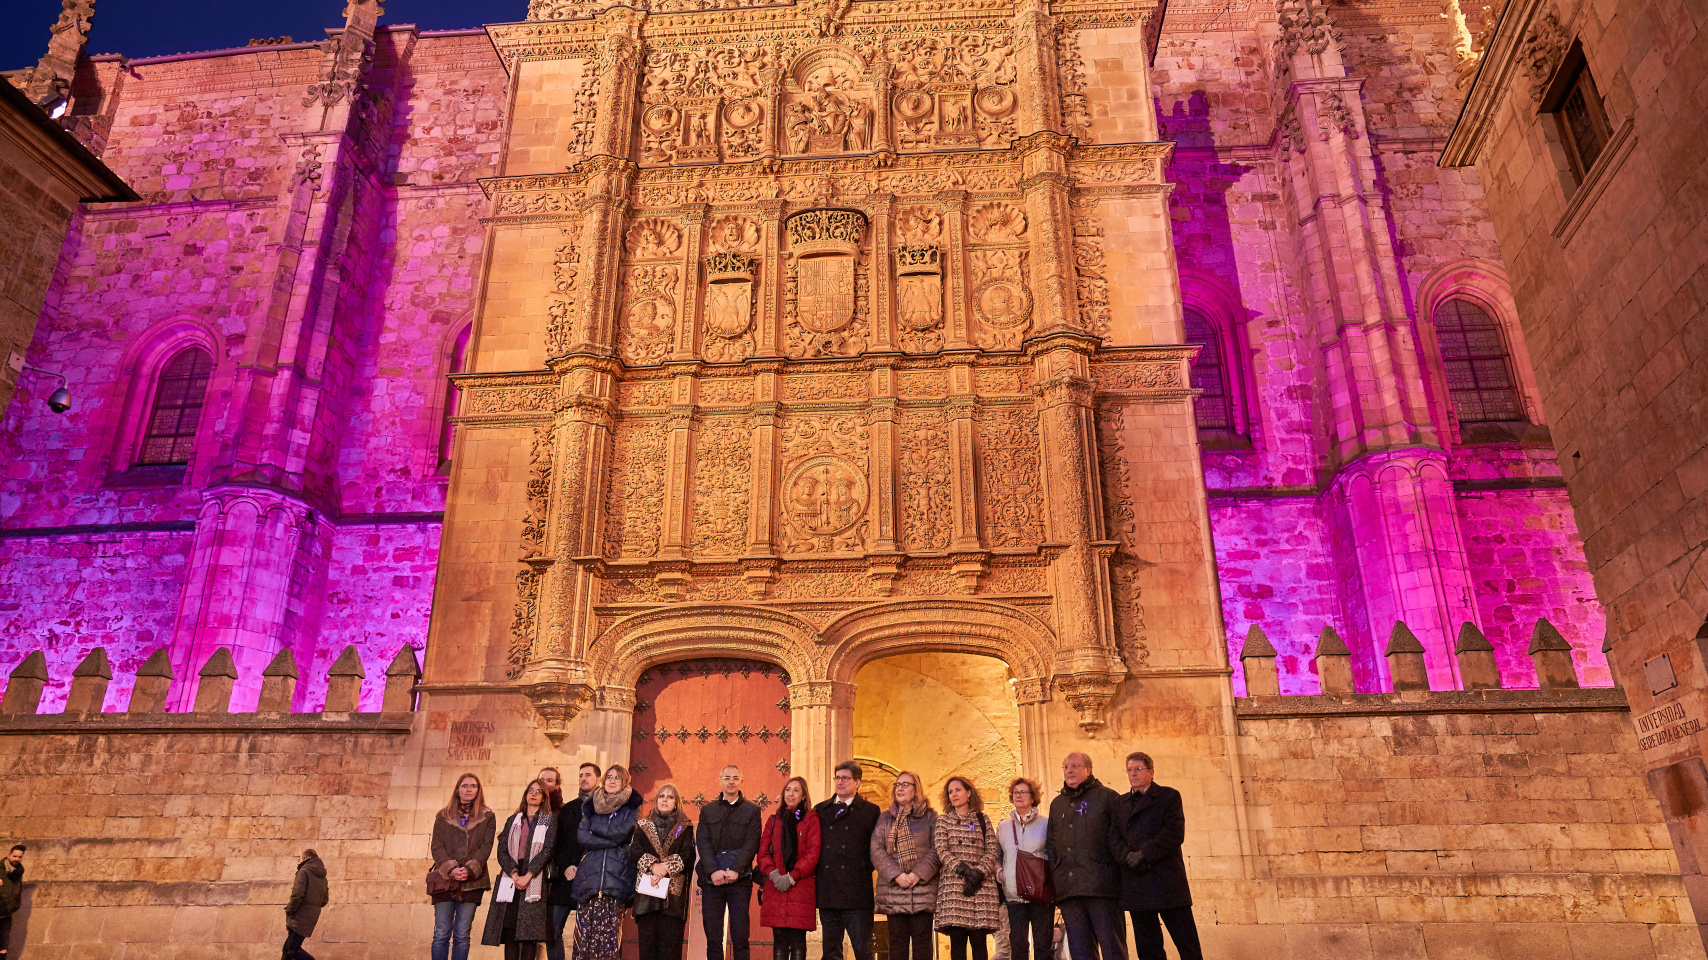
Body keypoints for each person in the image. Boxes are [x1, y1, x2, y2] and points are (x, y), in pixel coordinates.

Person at [1112, 753, 1202, 960]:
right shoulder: (1120, 803)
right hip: (1137, 883)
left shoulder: (1168, 797)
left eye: (1138, 769)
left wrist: (1144, 855)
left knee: (1187, 944)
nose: (1133, 773)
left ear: (1151, 772)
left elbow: (1173, 833)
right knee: (1148, 948)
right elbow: (1112, 837)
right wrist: (1126, 857)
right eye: (1129, 769)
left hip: (1167, 881)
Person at [1045, 754, 1123, 960]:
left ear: (1088, 769)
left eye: (1075, 766)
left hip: (1102, 888)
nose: (1069, 770)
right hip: (1070, 891)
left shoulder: (1108, 797)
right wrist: (1058, 876)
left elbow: (1120, 840)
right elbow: (1051, 846)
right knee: (1081, 952)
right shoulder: (1057, 804)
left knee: (1112, 948)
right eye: (1065, 767)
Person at [483, 779, 560, 959]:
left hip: (535, 879)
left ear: (543, 798)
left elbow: (547, 849)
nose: (533, 794)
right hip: (511, 879)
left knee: (529, 936)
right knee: (510, 934)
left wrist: (529, 875)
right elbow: (502, 850)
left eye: (538, 791)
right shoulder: (513, 819)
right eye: (530, 790)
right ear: (525, 794)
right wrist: (514, 873)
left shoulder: (549, 820)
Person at [573, 766, 644, 960]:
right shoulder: (590, 807)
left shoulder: (631, 807)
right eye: (609, 777)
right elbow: (582, 836)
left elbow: (624, 832)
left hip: (617, 876)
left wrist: (595, 833)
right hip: (589, 878)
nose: (612, 781)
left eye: (617, 778)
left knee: (609, 940)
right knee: (584, 938)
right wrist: (611, 843)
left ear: (625, 782)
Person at [815, 760, 881, 960]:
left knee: (863, 951)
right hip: (829, 891)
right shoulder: (821, 810)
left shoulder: (870, 811)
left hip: (857, 892)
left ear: (857, 783)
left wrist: (860, 868)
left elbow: (876, 848)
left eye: (845, 778)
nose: (840, 782)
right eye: (837, 778)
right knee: (831, 952)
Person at [696, 765, 762, 960]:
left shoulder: (752, 810)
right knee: (713, 938)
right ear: (720, 780)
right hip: (712, 882)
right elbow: (703, 841)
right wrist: (713, 870)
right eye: (727, 777)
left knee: (741, 936)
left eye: (735, 777)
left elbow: (752, 843)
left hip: (739, 881)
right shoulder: (708, 810)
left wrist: (735, 870)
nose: (731, 781)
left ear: (741, 781)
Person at [871, 771, 938, 960]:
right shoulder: (885, 818)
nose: (899, 788)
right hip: (894, 890)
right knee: (897, 943)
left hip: (922, 890)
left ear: (916, 790)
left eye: (905, 784)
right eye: (897, 784)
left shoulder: (930, 817)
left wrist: (917, 874)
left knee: (923, 943)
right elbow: (876, 849)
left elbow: (937, 849)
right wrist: (896, 875)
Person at [431, 773, 498, 960]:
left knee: (462, 935)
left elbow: (486, 846)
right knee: (441, 934)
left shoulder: (488, 816)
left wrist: (469, 870)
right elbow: (436, 846)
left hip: (473, 882)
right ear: (457, 789)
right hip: (446, 882)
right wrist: (450, 868)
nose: (468, 789)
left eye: (473, 786)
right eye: (464, 785)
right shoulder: (443, 816)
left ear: (478, 790)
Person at [933, 777, 1000, 960]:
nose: (953, 794)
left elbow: (992, 848)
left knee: (979, 943)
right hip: (955, 887)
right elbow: (941, 849)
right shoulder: (943, 820)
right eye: (950, 791)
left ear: (968, 792)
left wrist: (978, 873)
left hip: (980, 887)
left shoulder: (982, 819)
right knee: (957, 943)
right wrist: (963, 870)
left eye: (958, 790)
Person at [631, 784, 697, 960]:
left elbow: (688, 854)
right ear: (656, 801)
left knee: (670, 950)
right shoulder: (642, 825)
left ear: (676, 802)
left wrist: (665, 868)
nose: (665, 800)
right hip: (647, 896)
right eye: (661, 796)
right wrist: (653, 866)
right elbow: (634, 850)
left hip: (673, 899)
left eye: (670, 797)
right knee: (647, 950)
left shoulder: (684, 828)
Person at [758, 776, 821, 960]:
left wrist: (793, 876)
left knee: (798, 941)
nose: (791, 794)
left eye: (796, 790)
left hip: (800, 885)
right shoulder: (773, 820)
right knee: (779, 940)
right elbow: (762, 853)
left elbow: (813, 852)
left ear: (803, 796)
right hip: (776, 886)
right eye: (788, 789)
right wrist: (774, 874)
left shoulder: (810, 819)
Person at [549, 763, 602, 960]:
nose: (583, 778)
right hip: (566, 878)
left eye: (588, 775)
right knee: (552, 931)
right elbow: (558, 843)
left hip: (592, 880)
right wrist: (566, 866)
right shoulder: (568, 809)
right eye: (580, 775)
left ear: (598, 779)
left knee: (589, 935)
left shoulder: (605, 809)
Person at [996, 777, 1052, 960]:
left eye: (1023, 792)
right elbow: (996, 855)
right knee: (1018, 945)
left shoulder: (1046, 823)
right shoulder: (1003, 826)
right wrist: (999, 872)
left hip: (1040, 894)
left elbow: (1054, 854)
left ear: (1033, 796)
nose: (1018, 795)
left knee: (1043, 944)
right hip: (1014, 894)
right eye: (1015, 792)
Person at [284, 847, 329, 960]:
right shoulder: (322, 877)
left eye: (300, 858)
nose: (298, 860)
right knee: (288, 950)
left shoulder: (304, 871)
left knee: (292, 949)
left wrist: (289, 910)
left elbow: (297, 894)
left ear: (307, 858)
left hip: (300, 915)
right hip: (311, 916)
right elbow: (324, 899)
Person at [1, 845, 25, 960]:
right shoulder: (0, 869)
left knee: (4, 946)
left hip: (7, 913)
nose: (16, 859)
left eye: (19, 857)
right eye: (14, 856)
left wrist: (15, 905)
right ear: (8, 855)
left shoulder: (18, 872)